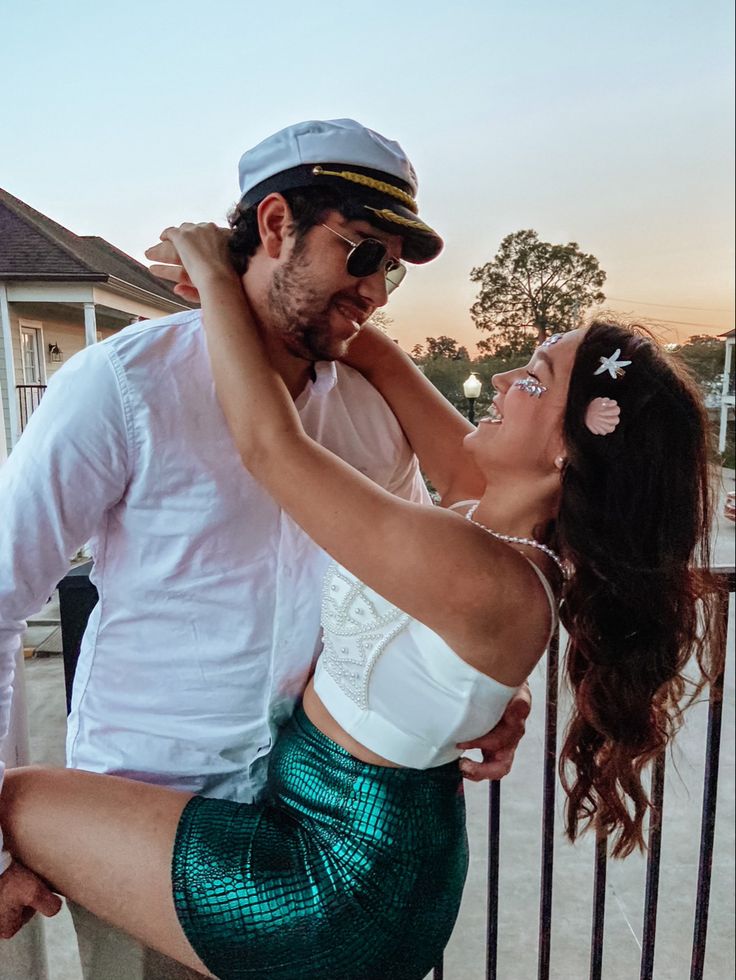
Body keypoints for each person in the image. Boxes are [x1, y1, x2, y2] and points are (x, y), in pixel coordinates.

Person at [0, 222, 724, 979]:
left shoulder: (477, 569)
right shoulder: (497, 529)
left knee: (18, 798)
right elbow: (460, 483)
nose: (504, 380)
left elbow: (271, 448)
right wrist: (317, 306)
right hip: (368, 844)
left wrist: (218, 278)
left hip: (330, 880)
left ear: (567, 451)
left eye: (535, 379)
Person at [0, 120, 530, 978]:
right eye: (362, 254)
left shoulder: (372, 407)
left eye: (391, 269)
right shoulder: (122, 386)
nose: (378, 291)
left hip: (319, 841)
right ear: (276, 225)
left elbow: (413, 594)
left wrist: (471, 702)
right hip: (142, 830)